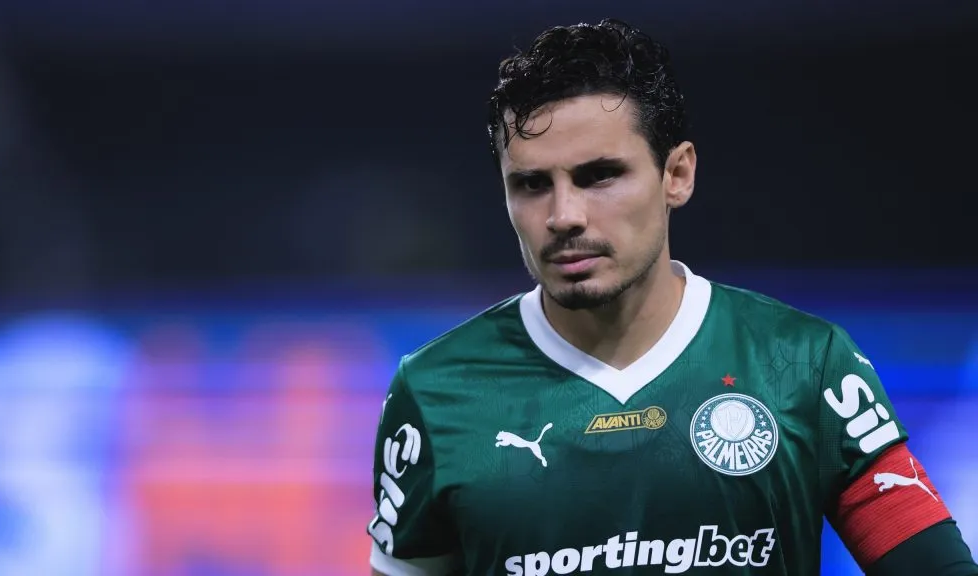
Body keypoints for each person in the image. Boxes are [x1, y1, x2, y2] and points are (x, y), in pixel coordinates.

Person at [366, 18, 978, 576]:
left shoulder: (805, 363)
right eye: (530, 184)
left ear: (676, 174)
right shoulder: (434, 391)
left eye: (599, 174)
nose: (563, 215)